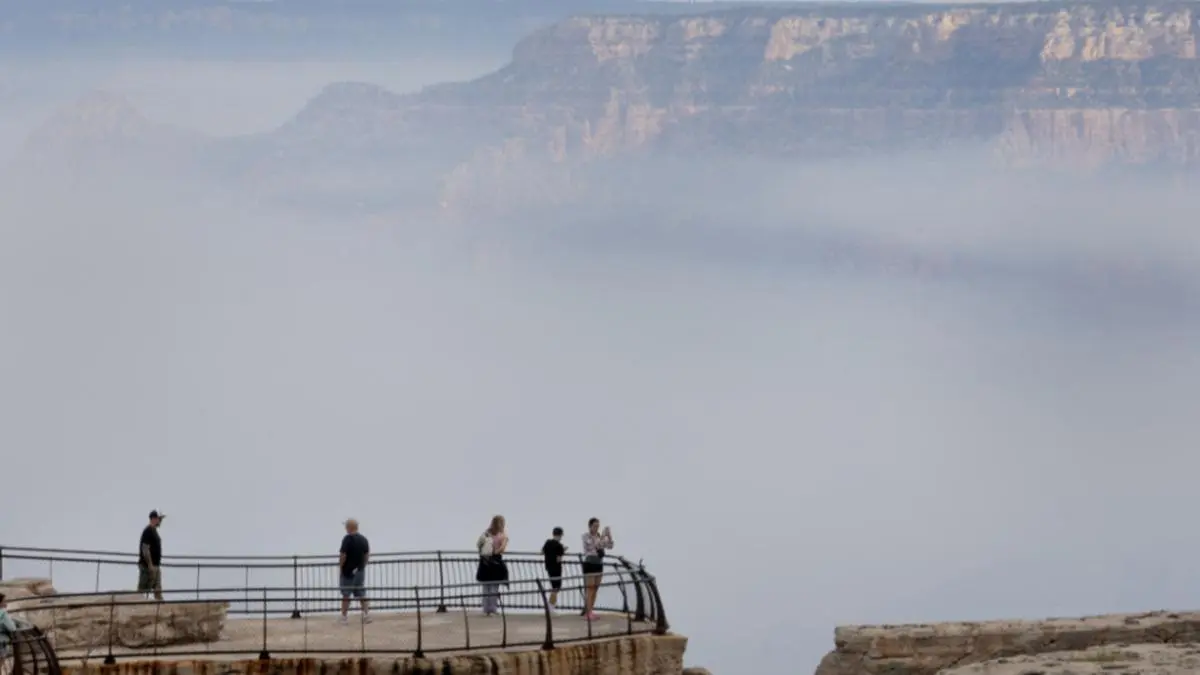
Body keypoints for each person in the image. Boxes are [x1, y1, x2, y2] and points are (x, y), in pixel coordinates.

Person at [338, 518, 371, 624]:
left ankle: (344, 617)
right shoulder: (364, 539)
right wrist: (362, 567)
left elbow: (343, 555)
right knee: (361, 593)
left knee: (346, 594)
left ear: (349, 527)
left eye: (346, 526)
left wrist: (340, 567)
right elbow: (366, 555)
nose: (345, 528)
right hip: (360, 571)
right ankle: (366, 615)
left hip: (348, 572)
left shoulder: (347, 539)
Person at [475, 515, 509, 616]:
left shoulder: (486, 533)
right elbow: (502, 549)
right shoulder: (502, 535)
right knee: (494, 587)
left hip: (485, 562)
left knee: (485, 587)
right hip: (495, 562)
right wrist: (495, 551)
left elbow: (478, 545)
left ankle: (486, 609)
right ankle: (493, 608)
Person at [581, 517, 613, 620]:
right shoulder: (586, 536)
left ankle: (590, 611)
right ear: (590, 526)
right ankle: (587, 612)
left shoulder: (599, 536)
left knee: (595, 589)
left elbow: (609, 546)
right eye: (595, 526)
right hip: (590, 562)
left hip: (599, 563)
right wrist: (603, 536)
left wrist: (609, 537)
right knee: (590, 589)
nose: (596, 528)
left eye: (598, 526)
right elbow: (595, 546)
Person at [138, 510, 165, 601]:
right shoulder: (148, 531)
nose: (160, 521)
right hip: (147, 566)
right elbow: (145, 549)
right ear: (153, 519)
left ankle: (160, 605)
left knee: (158, 589)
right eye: (158, 519)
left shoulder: (154, 531)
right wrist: (150, 565)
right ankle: (136, 606)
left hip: (156, 566)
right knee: (142, 590)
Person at [540, 527, 567, 608]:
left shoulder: (548, 542)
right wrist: (563, 551)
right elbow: (558, 559)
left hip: (548, 567)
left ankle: (550, 606)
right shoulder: (559, 546)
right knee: (556, 588)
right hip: (556, 568)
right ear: (560, 535)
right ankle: (550, 607)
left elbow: (542, 552)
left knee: (554, 587)